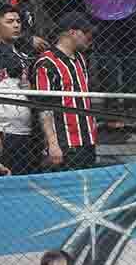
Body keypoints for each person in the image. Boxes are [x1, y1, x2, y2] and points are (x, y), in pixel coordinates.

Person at [32, 12, 96, 171]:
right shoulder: (47, 63)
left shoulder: (81, 58)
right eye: (86, 33)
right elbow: (44, 107)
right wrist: (52, 143)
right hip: (65, 142)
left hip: (87, 139)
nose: (89, 38)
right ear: (72, 32)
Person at [0, 5, 39, 175]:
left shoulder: (19, 53)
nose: (16, 25)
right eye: (9, 21)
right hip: (0, 130)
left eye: (18, 21)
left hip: (21, 130)